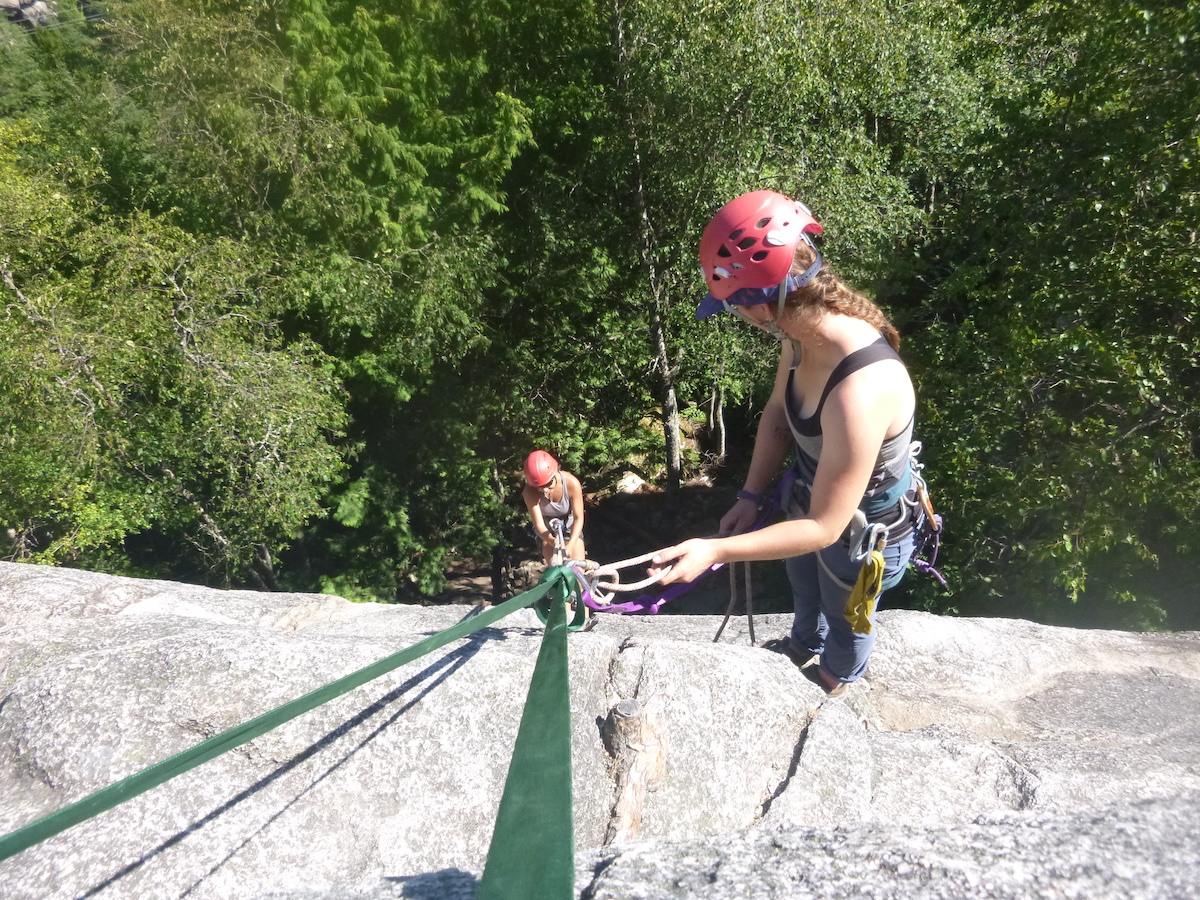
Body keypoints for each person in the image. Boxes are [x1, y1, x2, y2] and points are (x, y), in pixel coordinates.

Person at [647, 190, 923, 696]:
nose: (737, 317)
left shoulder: (860, 390)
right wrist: (751, 497)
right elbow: (777, 414)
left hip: (861, 530)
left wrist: (717, 551)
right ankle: (802, 644)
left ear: (763, 305)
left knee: (847, 613)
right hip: (809, 500)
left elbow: (825, 528)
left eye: (734, 306)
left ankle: (835, 678)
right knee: (804, 587)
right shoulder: (799, 338)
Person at [522, 450, 588, 568]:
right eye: (539, 487)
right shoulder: (529, 492)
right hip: (547, 532)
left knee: (578, 570)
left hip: (570, 526)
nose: (545, 490)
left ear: (555, 473)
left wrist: (571, 545)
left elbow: (578, 518)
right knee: (557, 568)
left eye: (548, 484)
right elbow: (539, 526)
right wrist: (556, 544)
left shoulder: (571, 483)